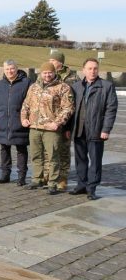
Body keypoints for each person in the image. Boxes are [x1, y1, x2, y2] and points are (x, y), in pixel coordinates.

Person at [21, 62, 74, 195]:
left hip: (51, 129)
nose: (47, 75)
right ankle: (37, 179)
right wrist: (23, 118)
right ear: (40, 73)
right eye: (44, 72)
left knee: (53, 157)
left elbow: (68, 108)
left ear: (54, 72)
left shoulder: (63, 87)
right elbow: (25, 105)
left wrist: (57, 122)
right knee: (36, 155)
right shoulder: (34, 87)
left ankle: (52, 183)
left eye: (50, 72)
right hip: (34, 127)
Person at [69, 58, 118, 200]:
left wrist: (106, 129)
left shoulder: (106, 86)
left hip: (96, 130)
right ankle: (81, 185)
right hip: (79, 130)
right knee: (80, 160)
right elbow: (70, 109)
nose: (92, 71)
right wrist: (68, 128)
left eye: (95, 68)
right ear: (83, 70)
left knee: (95, 161)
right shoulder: (76, 86)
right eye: (89, 68)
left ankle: (92, 188)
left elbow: (111, 109)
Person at [0, 60, 31, 186]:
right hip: (3, 123)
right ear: (4, 70)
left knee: (21, 150)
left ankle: (21, 176)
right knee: (4, 149)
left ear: (17, 68)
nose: (9, 71)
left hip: (20, 123)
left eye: (12, 68)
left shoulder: (26, 83)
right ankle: (5, 174)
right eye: (7, 69)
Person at [46, 50, 79, 191]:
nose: (50, 63)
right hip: (49, 120)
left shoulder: (73, 78)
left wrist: (69, 126)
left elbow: (75, 103)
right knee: (49, 150)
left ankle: (63, 178)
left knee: (64, 151)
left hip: (65, 121)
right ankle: (48, 176)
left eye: (53, 60)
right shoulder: (47, 74)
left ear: (60, 62)